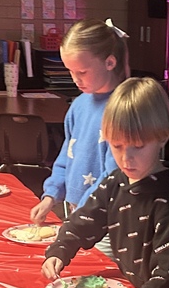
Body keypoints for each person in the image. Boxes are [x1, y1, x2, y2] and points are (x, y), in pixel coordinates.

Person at [41, 77, 169, 288]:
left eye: (138, 146)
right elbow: (85, 221)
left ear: (163, 137)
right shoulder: (117, 181)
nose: (126, 158)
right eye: (116, 146)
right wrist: (60, 249)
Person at [29, 18, 129, 226]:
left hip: (107, 216)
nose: (75, 79)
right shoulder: (79, 105)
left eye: (82, 72)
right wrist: (51, 196)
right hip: (80, 213)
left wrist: (84, 214)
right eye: (70, 71)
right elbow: (67, 154)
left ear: (110, 63)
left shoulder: (122, 108)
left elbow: (114, 175)